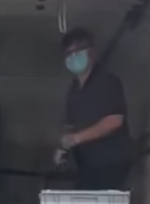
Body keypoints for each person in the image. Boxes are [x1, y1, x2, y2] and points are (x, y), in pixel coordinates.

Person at [56, 27, 133, 190]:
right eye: (68, 53)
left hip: (111, 164)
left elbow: (114, 120)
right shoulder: (74, 89)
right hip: (87, 165)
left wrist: (77, 138)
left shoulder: (107, 82)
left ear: (91, 53)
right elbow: (70, 125)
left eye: (77, 52)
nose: (72, 57)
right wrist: (62, 147)